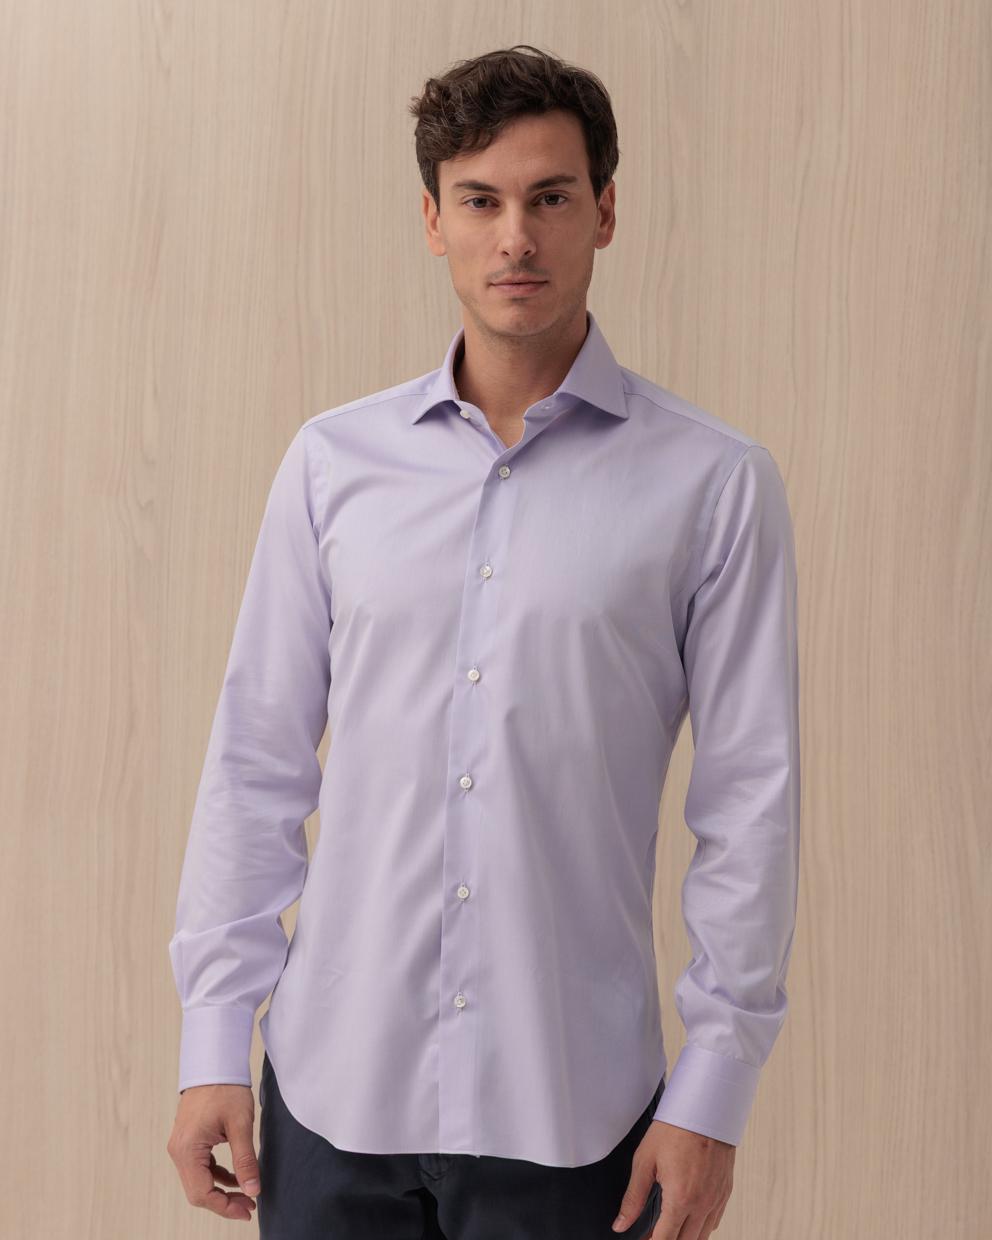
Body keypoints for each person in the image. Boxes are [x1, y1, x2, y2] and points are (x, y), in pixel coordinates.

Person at [166, 43, 800, 1240]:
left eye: (549, 197)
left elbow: (749, 806)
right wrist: (213, 1040)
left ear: (603, 212)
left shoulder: (712, 484)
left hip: (574, 1110)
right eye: (480, 200)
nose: (515, 237)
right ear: (433, 221)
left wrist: (712, 1091)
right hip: (329, 1095)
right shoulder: (330, 465)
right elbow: (255, 761)